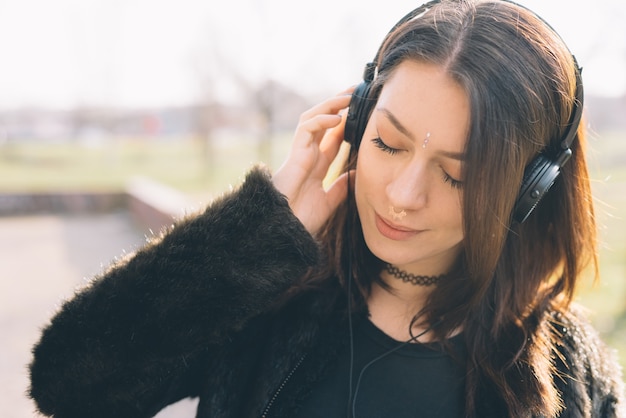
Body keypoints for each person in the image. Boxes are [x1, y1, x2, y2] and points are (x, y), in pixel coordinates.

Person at [28, 0, 624, 417]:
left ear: (527, 192)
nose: (403, 194)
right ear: (355, 122)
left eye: (457, 176)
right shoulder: (264, 294)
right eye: (388, 144)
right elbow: (69, 382)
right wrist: (258, 232)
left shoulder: (569, 367)